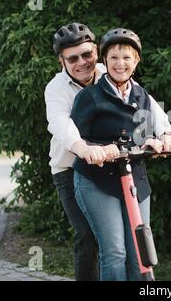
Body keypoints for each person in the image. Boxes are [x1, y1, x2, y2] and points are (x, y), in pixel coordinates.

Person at [70, 28, 171, 281]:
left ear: (136, 61)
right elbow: (75, 137)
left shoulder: (141, 94)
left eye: (127, 57)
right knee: (115, 252)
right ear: (104, 61)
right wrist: (96, 149)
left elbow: (155, 124)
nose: (120, 64)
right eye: (114, 58)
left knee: (141, 251)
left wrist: (163, 138)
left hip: (134, 180)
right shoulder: (90, 97)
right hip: (98, 180)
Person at [44, 22, 110, 281]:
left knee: (116, 236)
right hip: (69, 170)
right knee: (86, 235)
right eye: (73, 58)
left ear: (96, 50)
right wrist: (81, 147)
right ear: (62, 61)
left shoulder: (108, 73)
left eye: (87, 54)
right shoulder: (56, 87)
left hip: (106, 166)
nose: (82, 62)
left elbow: (138, 101)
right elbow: (59, 123)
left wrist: (160, 134)